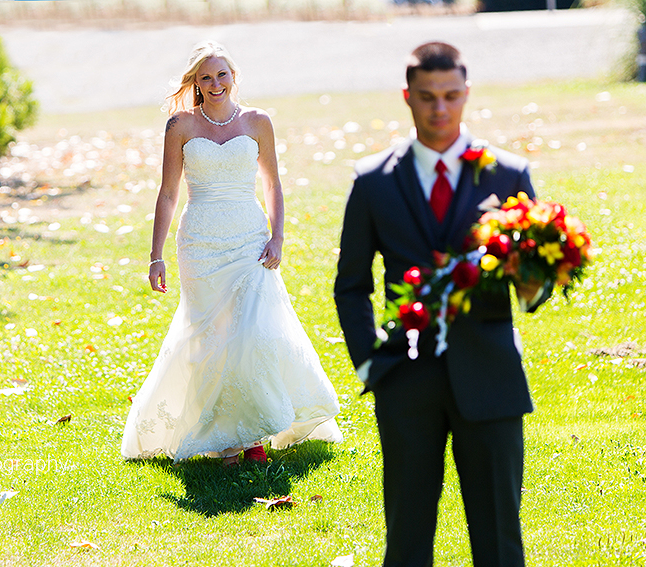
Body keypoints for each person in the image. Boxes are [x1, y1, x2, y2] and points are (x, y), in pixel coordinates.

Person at [334, 42, 543, 566]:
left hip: (491, 376)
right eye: (427, 97)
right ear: (408, 97)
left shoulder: (509, 176)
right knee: (406, 534)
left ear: (467, 93)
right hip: (405, 377)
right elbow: (351, 283)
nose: (440, 109)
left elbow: (534, 285)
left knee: (499, 536)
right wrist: (370, 363)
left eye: (451, 96)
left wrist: (529, 280)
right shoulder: (374, 180)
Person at [121, 41, 342, 465]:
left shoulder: (258, 122)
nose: (215, 83)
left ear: (233, 77)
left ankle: (253, 432)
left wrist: (277, 236)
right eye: (206, 77)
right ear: (196, 84)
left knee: (254, 333)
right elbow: (168, 193)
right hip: (200, 243)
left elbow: (273, 185)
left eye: (222, 74)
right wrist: (155, 254)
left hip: (249, 239)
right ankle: (227, 439)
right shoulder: (180, 126)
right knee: (213, 339)